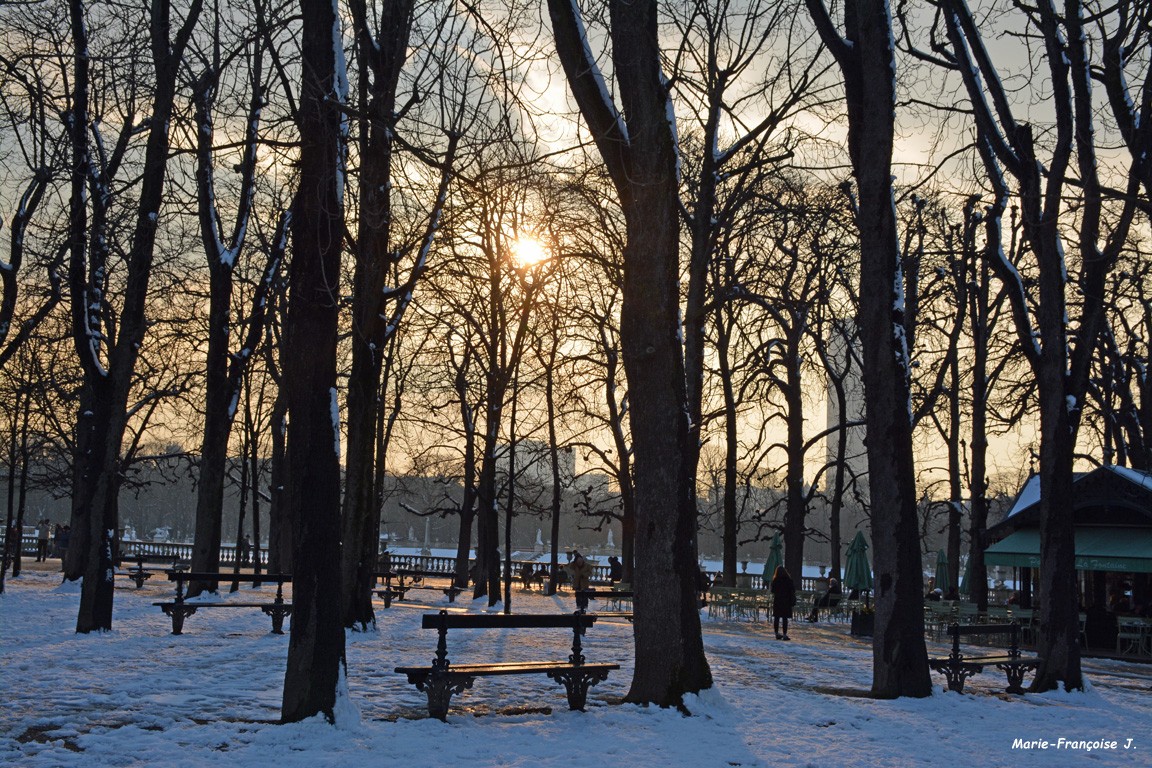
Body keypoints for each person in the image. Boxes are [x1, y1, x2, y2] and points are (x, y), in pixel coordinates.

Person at [769, 565, 796, 641]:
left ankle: (777, 633)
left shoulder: (775, 580)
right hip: (786, 601)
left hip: (778, 601)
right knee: (785, 618)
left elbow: (773, 591)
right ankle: (784, 634)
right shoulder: (788, 580)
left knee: (777, 618)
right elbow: (793, 590)